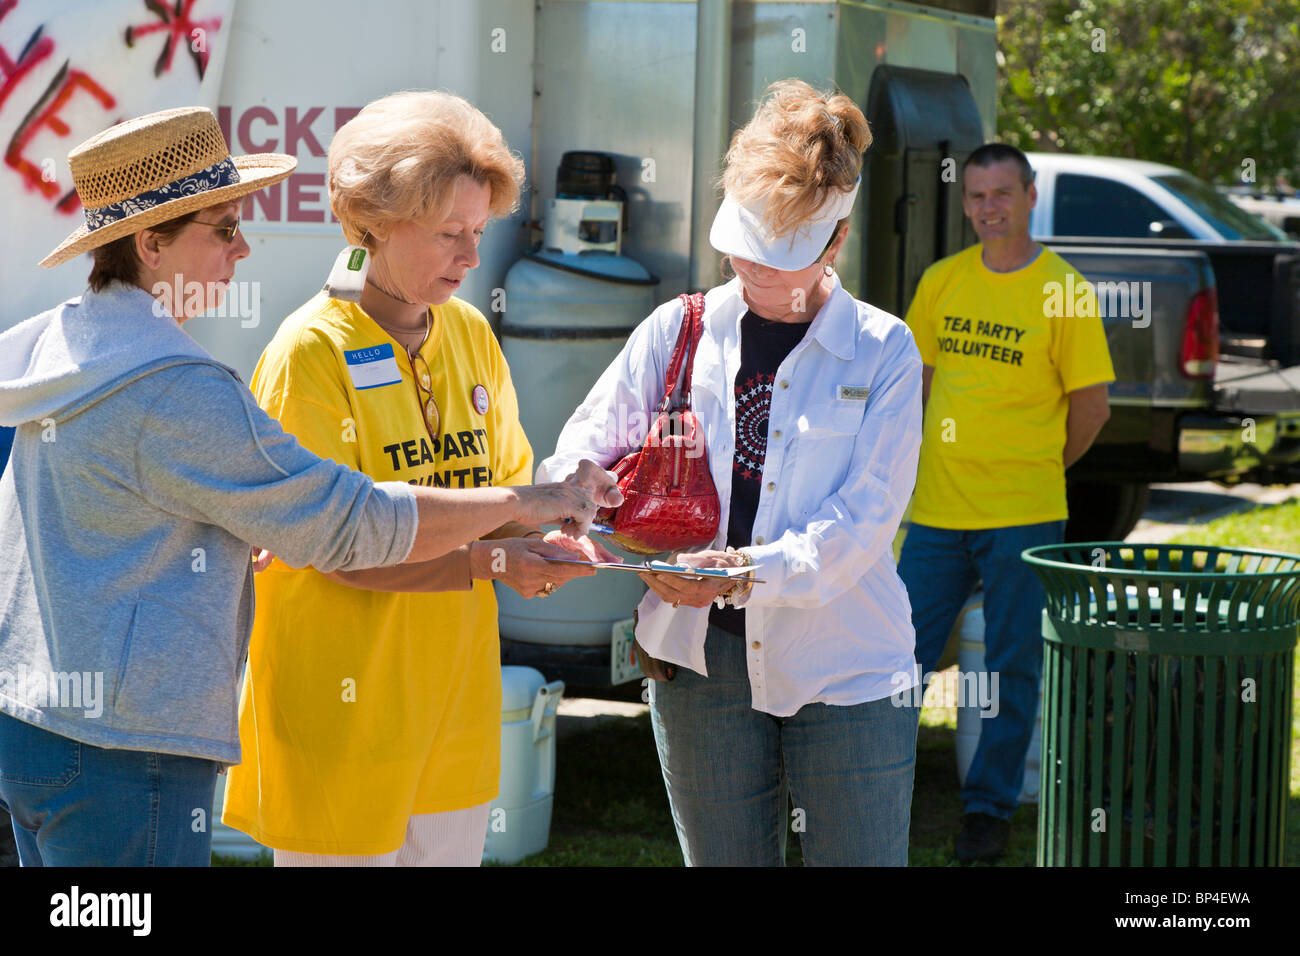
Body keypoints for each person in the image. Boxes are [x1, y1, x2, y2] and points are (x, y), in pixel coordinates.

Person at [0, 106, 617, 867]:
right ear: (150, 243)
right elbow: (342, 529)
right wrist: (520, 512)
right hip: (127, 743)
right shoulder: (178, 385)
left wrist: (539, 507)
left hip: (47, 726)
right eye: (223, 228)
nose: (244, 248)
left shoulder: (72, 342)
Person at [220, 91, 611, 867]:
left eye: (477, 233)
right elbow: (336, 544)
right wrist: (509, 527)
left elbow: (498, 502)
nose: (470, 258)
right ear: (373, 223)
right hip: (342, 718)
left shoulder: (468, 330)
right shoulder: (309, 354)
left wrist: (556, 511)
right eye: (448, 235)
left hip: (453, 712)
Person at [539, 80, 924, 866]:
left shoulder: (885, 350)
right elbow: (584, 441)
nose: (749, 272)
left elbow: (862, 525)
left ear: (835, 241)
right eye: (743, 250)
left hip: (845, 670)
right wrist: (586, 488)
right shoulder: (675, 328)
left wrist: (744, 572)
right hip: (697, 665)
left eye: (775, 261)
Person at [897, 142, 1114, 863]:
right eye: (977, 197)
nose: (990, 209)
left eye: (1003, 195)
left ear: (1029, 196)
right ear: (965, 204)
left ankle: (988, 812)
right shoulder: (941, 281)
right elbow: (917, 389)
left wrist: (1038, 468)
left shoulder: (1065, 291)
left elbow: (1092, 408)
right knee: (896, 658)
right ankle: (873, 788)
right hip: (936, 512)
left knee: (1011, 669)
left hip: (1024, 513)